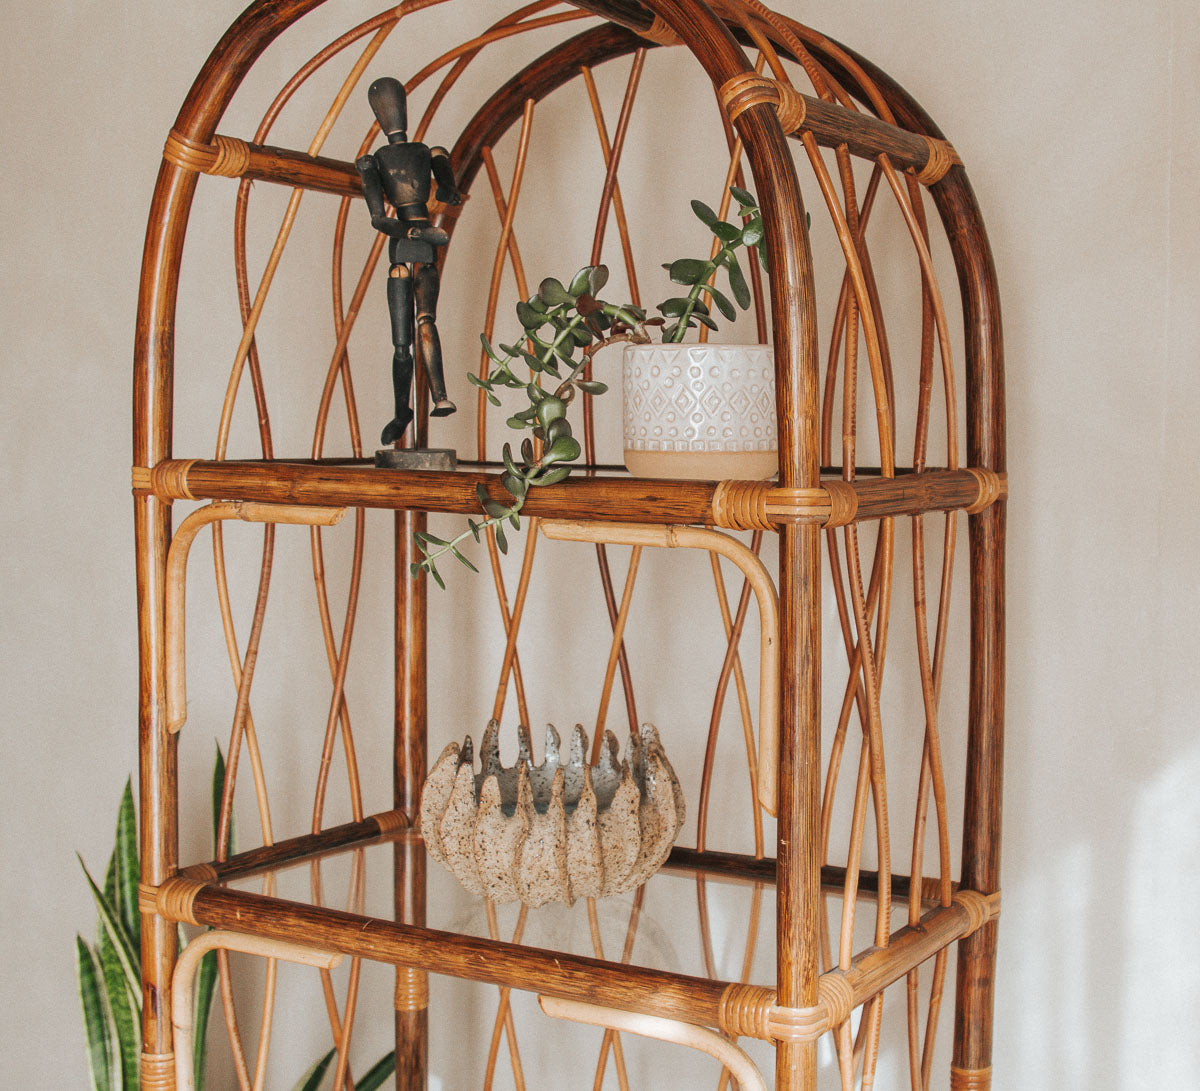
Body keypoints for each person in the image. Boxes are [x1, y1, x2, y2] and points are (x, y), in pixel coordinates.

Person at [356, 76, 461, 445]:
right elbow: (379, 219)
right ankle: (404, 411)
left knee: (427, 320)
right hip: (406, 241)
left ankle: (439, 395)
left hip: (418, 241)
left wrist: (446, 178)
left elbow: (450, 193)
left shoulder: (428, 151)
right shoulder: (376, 161)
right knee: (402, 341)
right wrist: (417, 232)